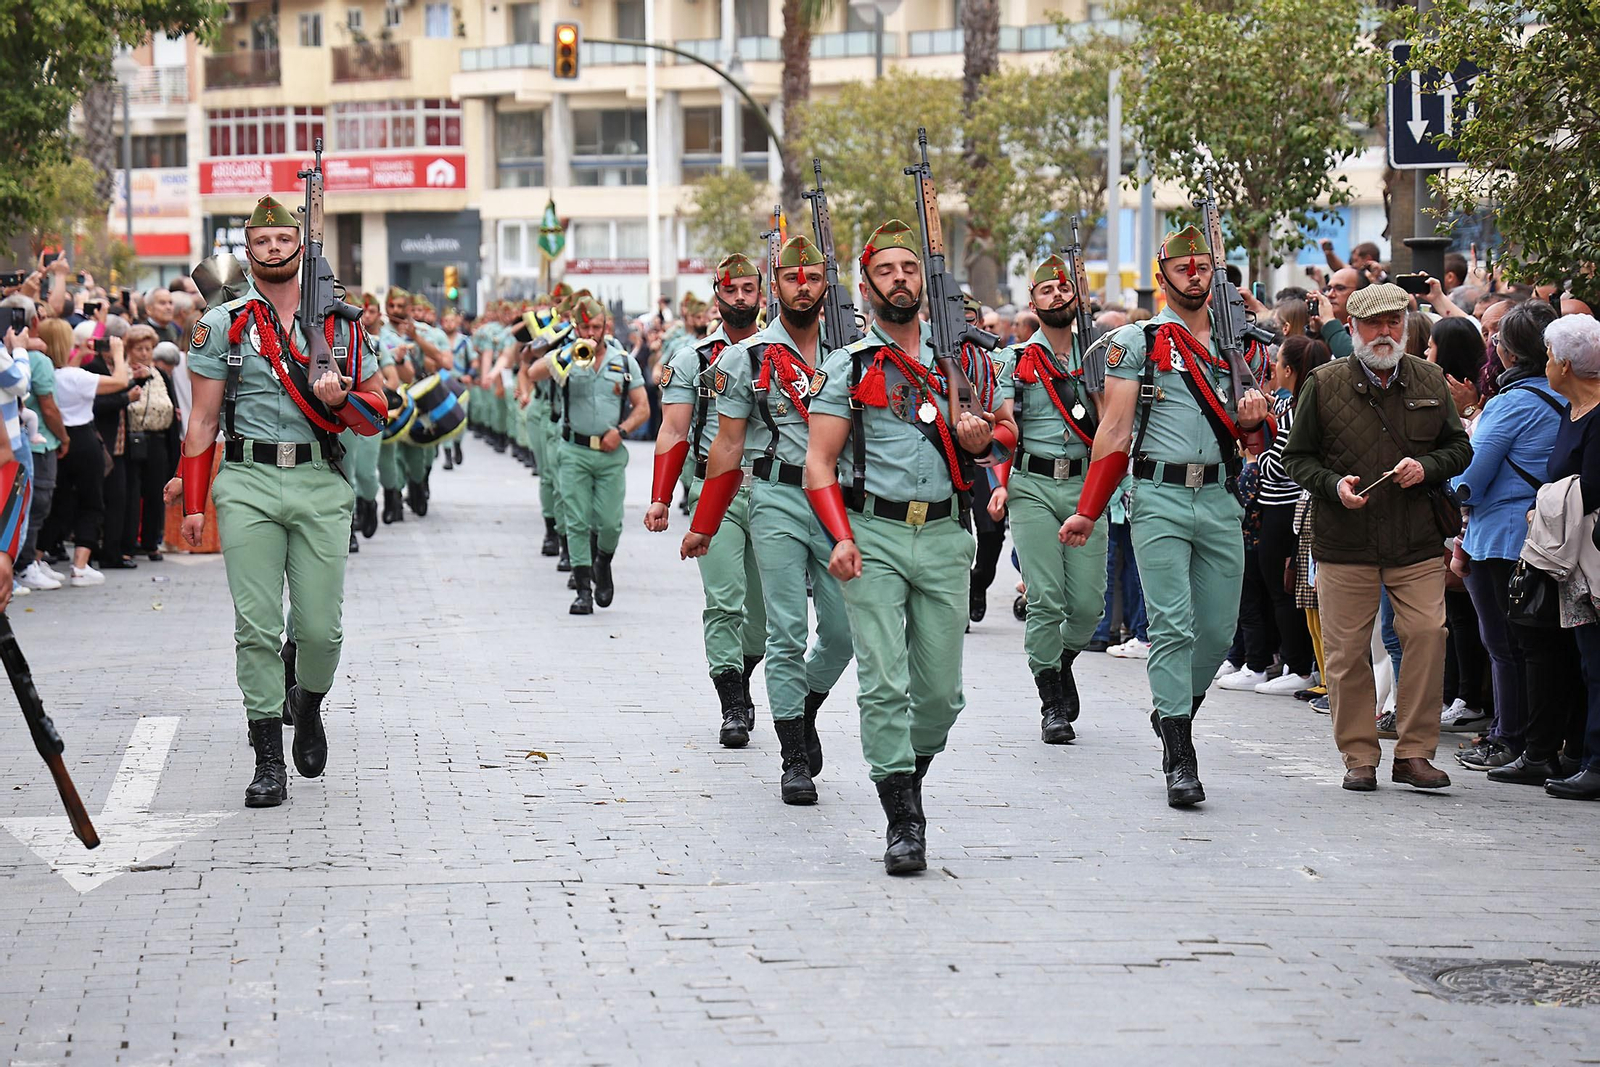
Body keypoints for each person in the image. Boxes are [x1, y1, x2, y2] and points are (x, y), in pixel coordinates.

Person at [803, 218, 1013, 874]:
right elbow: (819, 463)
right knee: (884, 679)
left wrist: (982, 437)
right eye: (887, 270)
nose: (901, 279)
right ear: (865, 288)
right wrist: (839, 534)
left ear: (925, 282)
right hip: (873, 535)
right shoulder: (850, 365)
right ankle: (902, 814)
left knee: (942, 693)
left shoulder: (968, 362)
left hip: (949, 533)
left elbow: (1007, 434)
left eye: (910, 268)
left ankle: (909, 775)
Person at [169, 194, 386, 809]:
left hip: (319, 479)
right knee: (256, 627)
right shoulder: (222, 324)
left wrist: (340, 399)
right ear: (247, 248)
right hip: (246, 480)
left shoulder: (342, 327)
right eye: (258, 242)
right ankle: (267, 758)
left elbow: (378, 413)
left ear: (299, 245)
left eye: (281, 239)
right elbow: (204, 419)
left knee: (318, 630)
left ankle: (308, 704)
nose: (271, 248)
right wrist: (192, 500)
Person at [1060, 225, 1271, 808]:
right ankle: (1180, 753)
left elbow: (1260, 437)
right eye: (1183, 267)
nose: (1194, 274)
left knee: (1219, 629)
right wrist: (1088, 509)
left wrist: (1255, 418)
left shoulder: (1245, 345)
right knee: (1173, 626)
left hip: (1222, 496)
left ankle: (1171, 706)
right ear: (1163, 277)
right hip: (1158, 497)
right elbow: (1116, 430)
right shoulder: (1136, 342)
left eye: (1202, 265)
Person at [682, 234, 855, 809]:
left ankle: (801, 706)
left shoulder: (851, 351)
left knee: (842, 633)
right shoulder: (746, 357)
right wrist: (704, 523)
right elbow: (728, 449)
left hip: (838, 504)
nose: (801, 288)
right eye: (789, 278)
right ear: (773, 285)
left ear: (824, 283)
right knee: (787, 630)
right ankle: (792, 758)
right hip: (776, 498)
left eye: (811, 278)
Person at [1283, 282, 1473, 792]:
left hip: (1414, 540)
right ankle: (1359, 757)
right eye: (1374, 324)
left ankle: (1413, 753)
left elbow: (1459, 449)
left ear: (1405, 327)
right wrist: (1332, 485)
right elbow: (1297, 459)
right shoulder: (1323, 383)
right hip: (1345, 540)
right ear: (1353, 330)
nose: (1385, 333)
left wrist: (1429, 466)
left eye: (1394, 323)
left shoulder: (1430, 376)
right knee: (1347, 653)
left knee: (1428, 637)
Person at [1450, 302, 1576, 782]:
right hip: (1555, 534)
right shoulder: (1574, 394)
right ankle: (1537, 739)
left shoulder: (1511, 402)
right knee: (1547, 648)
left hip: (1503, 538)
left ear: (1507, 351)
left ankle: (1511, 739)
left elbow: (1471, 477)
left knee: (1505, 645)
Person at [646, 252, 767, 747]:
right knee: (725, 602)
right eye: (731, 290)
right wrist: (660, 496)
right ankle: (732, 703)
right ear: (717, 295)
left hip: (774, 491)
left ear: (761, 294)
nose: (740, 298)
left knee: (761, 619)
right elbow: (673, 430)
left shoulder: (787, 354)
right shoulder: (692, 358)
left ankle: (742, 670)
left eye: (748, 290)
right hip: (713, 492)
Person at [987, 253, 1106, 744]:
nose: (1056, 297)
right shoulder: (1012, 360)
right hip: (1032, 485)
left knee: (1087, 608)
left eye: (1064, 289)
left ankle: (1060, 662)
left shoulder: (1100, 356)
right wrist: (998, 482)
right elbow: (1001, 429)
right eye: (1046, 291)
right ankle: (1051, 701)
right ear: (1033, 302)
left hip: (1085, 485)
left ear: (1075, 296)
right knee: (1046, 599)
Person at [528, 295, 647, 614]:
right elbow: (534, 372)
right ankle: (582, 589)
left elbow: (643, 408)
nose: (591, 333)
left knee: (609, 524)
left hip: (609, 452)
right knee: (577, 520)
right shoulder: (567, 356)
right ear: (576, 327)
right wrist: (567, 353)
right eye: (585, 327)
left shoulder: (623, 361)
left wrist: (620, 432)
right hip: (574, 450)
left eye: (596, 327)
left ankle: (602, 563)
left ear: (605, 326)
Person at [1535, 314, 1600, 800]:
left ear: (1564, 362)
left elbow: (1590, 488)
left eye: (1549, 355)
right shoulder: (1569, 410)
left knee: (1597, 662)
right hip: (1573, 558)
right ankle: (1582, 753)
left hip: (1594, 556)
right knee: (1585, 661)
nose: (1545, 364)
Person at [1251, 336, 1331, 696]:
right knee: (1289, 589)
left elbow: (1279, 464)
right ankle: (1297, 665)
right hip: (1289, 506)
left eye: (1278, 362)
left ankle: (1299, 667)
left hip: (1285, 507)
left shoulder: (1296, 410)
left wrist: (1254, 458)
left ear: (1289, 370)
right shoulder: (1294, 405)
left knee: (1286, 589)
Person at [42, 332, 131, 586]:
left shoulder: (50, 374)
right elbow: (120, 381)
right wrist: (117, 352)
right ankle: (80, 566)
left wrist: (80, 354)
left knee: (59, 502)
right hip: (83, 439)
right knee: (91, 502)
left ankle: (35, 559)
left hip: (57, 438)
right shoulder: (75, 376)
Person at [15, 319, 71, 591]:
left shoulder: (31, 358)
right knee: (35, 505)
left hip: (31, 441)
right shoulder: (37, 360)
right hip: (37, 444)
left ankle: (28, 562)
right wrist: (63, 436)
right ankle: (24, 565)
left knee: (34, 506)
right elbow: (48, 406)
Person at [123, 325, 178, 561]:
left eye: (148, 349)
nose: (145, 353)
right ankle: (128, 542)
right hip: (131, 439)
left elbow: (171, 406)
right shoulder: (122, 373)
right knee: (132, 493)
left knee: (156, 491)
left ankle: (151, 541)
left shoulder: (161, 375)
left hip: (157, 439)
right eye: (139, 349)